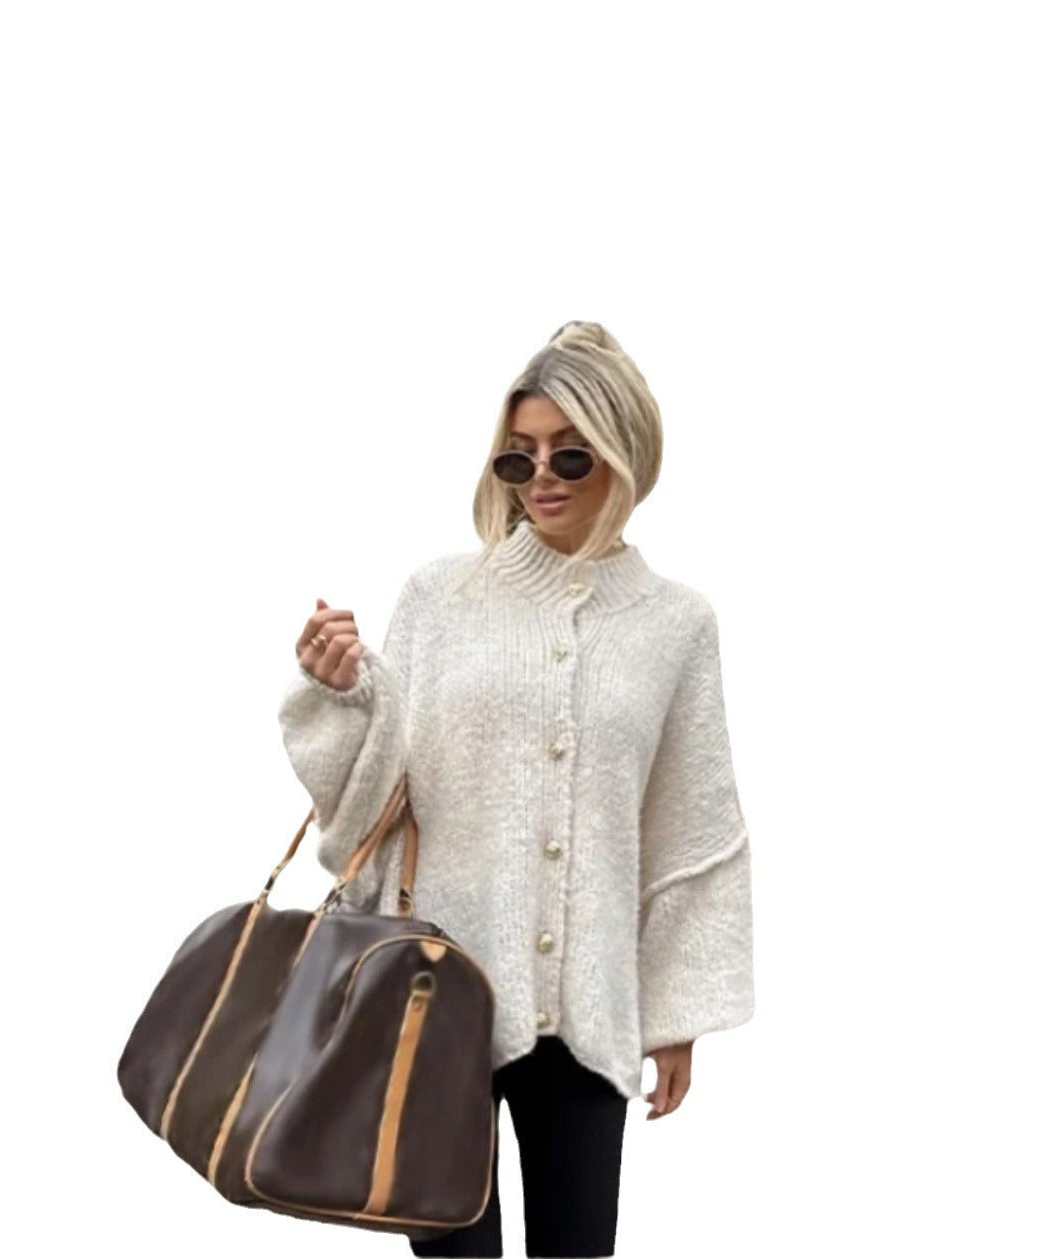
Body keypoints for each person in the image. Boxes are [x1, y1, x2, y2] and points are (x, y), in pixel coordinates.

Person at [277, 320, 754, 1259]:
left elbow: (691, 826)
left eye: (570, 454)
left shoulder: (676, 625)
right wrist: (340, 698)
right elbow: (376, 793)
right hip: (427, 998)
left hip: (587, 1013)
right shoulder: (440, 598)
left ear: (622, 454)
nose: (541, 477)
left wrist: (675, 1016)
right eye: (517, 456)